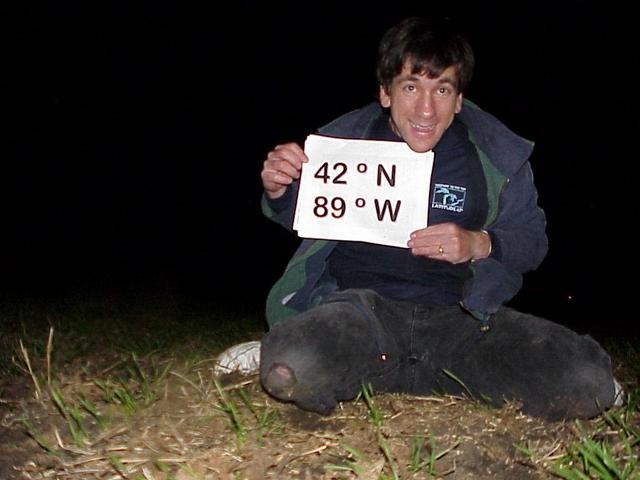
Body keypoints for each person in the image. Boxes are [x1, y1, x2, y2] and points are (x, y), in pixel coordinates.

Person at [220, 17, 622, 420]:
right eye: (411, 87)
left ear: (459, 98)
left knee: (587, 382)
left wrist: (480, 243)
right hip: (362, 315)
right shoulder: (342, 145)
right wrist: (279, 187)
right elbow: (304, 214)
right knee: (294, 361)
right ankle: (296, 345)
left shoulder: (497, 156)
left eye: (442, 89)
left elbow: (533, 241)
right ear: (385, 93)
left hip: (463, 323)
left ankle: (427, 372)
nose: (426, 109)